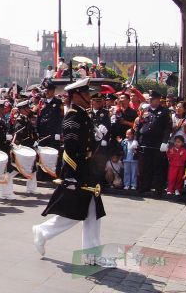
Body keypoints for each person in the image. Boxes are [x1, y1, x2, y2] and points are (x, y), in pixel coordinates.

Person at [32, 78, 109, 266]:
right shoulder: (73, 116)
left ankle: (92, 256)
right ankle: (43, 232)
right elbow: (70, 149)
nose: (90, 96)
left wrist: (99, 137)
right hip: (78, 171)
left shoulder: (83, 114)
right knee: (74, 213)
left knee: (92, 213)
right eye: (86, 93)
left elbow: (87, 145)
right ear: (76, 96)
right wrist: (70, 175)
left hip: (87, 169)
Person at [135, 90, 172, 195]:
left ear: (158, 100)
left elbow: (167, 128)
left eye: (153, 99)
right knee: (145, 166)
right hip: (145, 141)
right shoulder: (145, 110)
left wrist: (165, 142)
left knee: (157, 166)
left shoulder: (165, 111)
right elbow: (140, 125)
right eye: (150, 99)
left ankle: (158, 188)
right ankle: (144, 186)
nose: (151, 101)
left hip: (157, 143)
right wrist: (136, 139)